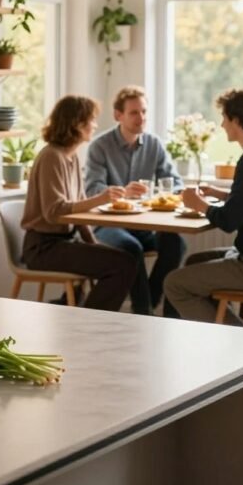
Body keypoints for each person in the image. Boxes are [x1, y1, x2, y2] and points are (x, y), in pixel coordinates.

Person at [165, 89, 243, 324]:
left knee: (174, 284)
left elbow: (228, 221)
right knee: (195, 262)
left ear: (236, 120)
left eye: (224, 118)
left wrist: (200, 204)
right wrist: (219, 193)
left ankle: (238, 336)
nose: (222, 125)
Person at [21, 94, 137, 312]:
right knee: (123, 264)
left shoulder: (70, 156)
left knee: (125, 258)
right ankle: (88, 321)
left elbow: (79, 207)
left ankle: (77, 310)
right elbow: (53, 212)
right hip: (43, 248)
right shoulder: (51, 157)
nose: (94, 125)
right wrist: (102, 198)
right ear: (76, 123)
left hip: (64, 242)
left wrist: (92, 243)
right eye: (91, 119)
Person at [85, 85, 184, 316]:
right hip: (108, 225)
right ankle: (143, 311)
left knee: (175, 243)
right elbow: (92, 190)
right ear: (118, 115)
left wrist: (165, 193)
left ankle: (150, 299)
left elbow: (174, 183)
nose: (141, 118)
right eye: (134, 112)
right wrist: (122, 192)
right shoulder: (99, 147)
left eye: (144, 112)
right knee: (131, 248)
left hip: (144, 223)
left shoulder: (153, 144)